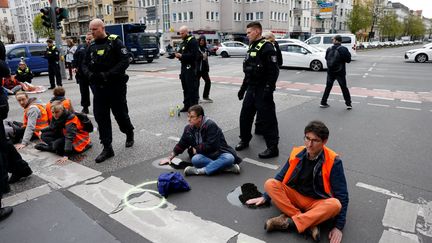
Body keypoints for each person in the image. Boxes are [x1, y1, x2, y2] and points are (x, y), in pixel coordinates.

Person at [246, 121, 348, 243]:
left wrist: (338, 227)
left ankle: (289, 221)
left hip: (317, 202)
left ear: (324, 141)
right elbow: (280, 176)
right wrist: (266, 196)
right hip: (295, 196)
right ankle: (308, 223)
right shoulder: (297, 153)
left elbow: (342, 195)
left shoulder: (333, 161)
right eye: (307, 138)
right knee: (270, 184)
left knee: (335, 205)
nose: (309, 144)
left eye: (315, 141)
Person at [82, 18, 134, 163]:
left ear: (102, 28)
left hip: (115, 87)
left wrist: (108, 74)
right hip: (99, 89)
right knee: (101, 118)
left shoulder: (115, 42)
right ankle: (107, 147)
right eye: (90, 29)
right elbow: (84, 64)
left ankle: (129, 132)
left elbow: (125, 61)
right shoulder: (91, 45)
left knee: (120, 115)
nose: (92, 32)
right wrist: (90, 75)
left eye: (94, 29)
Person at [236, 21, 280, 159]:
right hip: (252, 88)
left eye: (249, 32)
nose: (247, 35)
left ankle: (272, 148)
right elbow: (248, 71)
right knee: (245, 116)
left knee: (268, 119)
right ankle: (244, 139)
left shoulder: (267, 47)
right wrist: (243, 89)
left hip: (262, 89)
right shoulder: (252, 46)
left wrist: (268, 89)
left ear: (257, 31)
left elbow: (274, 72)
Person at [160, 105, 242, 176]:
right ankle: (226, 168)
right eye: (188, 116)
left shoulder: (210, 125)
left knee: (229, 158)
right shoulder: (188, 128)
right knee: (195, 159)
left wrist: (197, 148)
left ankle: (199, 171)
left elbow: (212, 145)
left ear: (200, 118)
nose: (188, 119)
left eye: (192, 117)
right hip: (205, 155)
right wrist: (170, 158)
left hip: (219, 153)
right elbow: (182, 143)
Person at [320, 35, 352, 110]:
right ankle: (348, 104)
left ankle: (323, 102)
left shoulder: (329, 49)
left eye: (333, 39)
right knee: (344, 88)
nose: (332, 41)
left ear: (337, 40)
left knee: (328, 87)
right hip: (340, 71)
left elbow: (326, 58)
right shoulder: (343, 49)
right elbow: (348, 60)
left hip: (330, 71)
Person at [175, 26, 199, 112]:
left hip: (191, 68)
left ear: (186, 32)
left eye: (182, 33)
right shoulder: (184, 41)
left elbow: (194, 56)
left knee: (191, 88)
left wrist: (181, 56)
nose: (181, 35)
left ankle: (194, 108)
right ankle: (186, 105)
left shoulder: (193, 41)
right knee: (185, 87)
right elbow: (181, 52)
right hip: (184, 67)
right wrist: (175, 55)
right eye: (180, 33)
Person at [73, 32, 93, 114]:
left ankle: (99, 107)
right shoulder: (81, 47)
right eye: (87, 39)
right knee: (84, 92)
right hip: (82, 74)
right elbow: (75, 57)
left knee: (96, 92)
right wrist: (75, 66)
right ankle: (85, 107)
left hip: (92, 73)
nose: (88, 41)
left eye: (90, 39)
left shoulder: (95, 46)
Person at [197, 35, 213, 103]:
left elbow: (206, 59)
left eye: (203, 40)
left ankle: (205, 96)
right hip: (198, 69)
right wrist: (201, 56)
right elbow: (195, 57)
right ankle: (196, 98)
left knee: (208, 81)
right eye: (200, 40)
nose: (201, 42)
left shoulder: (205, 48)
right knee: (197, 84)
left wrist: (207, 67)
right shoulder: (197, 48)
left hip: (204, 69)